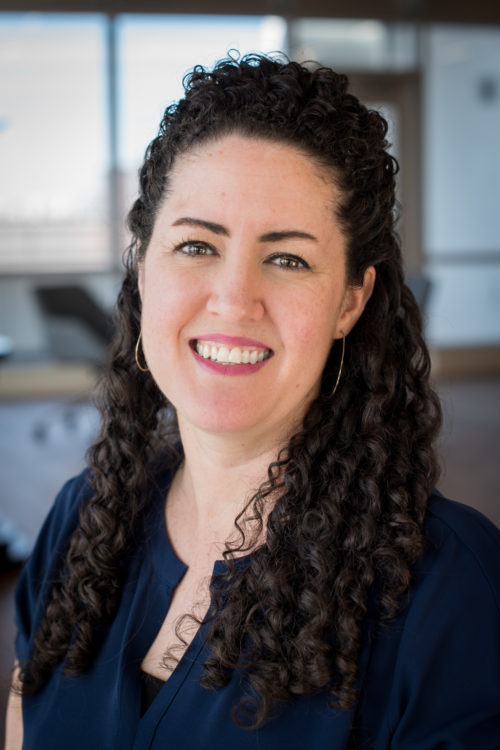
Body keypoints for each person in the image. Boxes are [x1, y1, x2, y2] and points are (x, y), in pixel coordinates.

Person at [6, 54, 500, 749]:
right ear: (144, 267)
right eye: (196, 245)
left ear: (350, 300)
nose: (233, 300)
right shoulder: (79, 518)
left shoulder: (451, 593)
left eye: (289, 258)